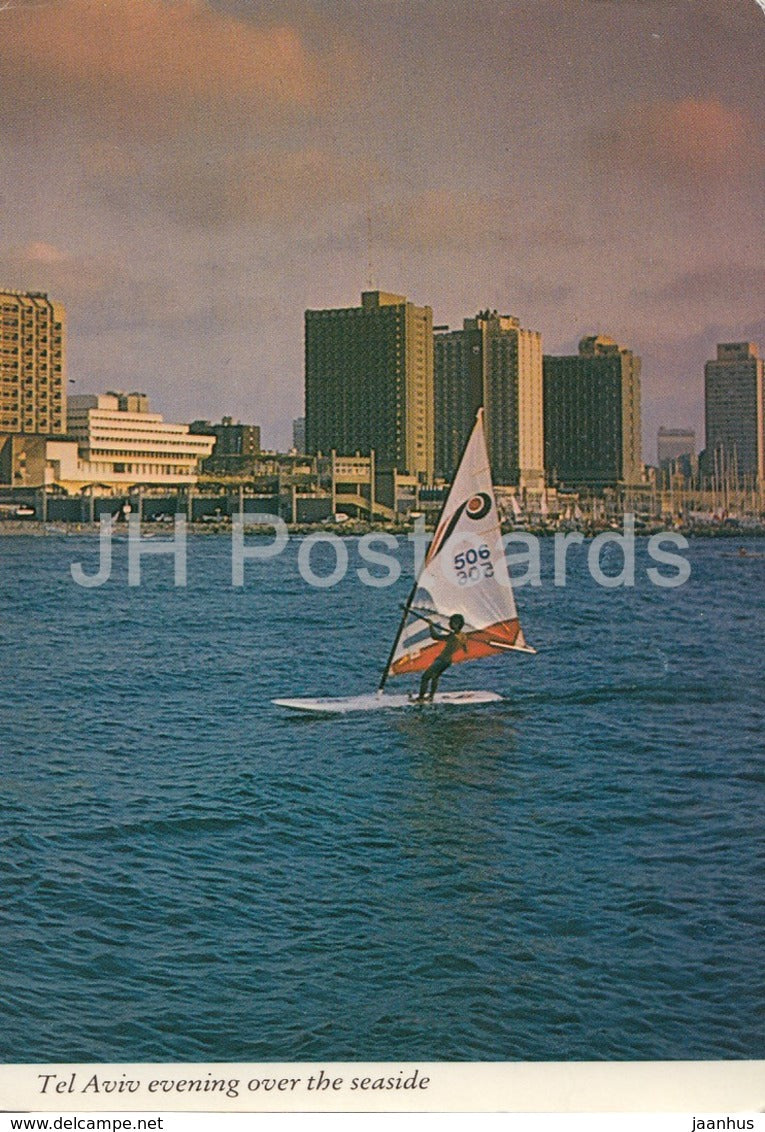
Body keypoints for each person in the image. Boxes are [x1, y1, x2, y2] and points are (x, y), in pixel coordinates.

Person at [415, 613, 468, 702]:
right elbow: (465, 648)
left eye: (452, 623)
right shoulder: (463, 636)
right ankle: (431, 696)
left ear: (458, 624)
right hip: (448, 661)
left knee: (425, 677)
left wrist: (430, 625)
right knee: (435, 677)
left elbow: (435, 637)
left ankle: (421, 698)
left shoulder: (453, 636)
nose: (450, 624)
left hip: (442, 660)